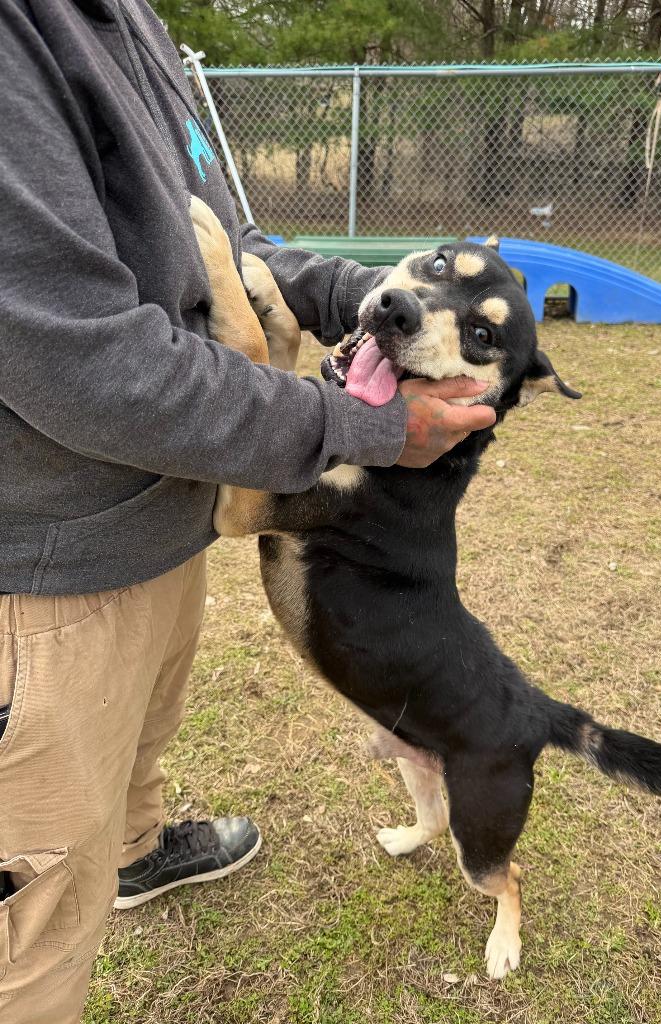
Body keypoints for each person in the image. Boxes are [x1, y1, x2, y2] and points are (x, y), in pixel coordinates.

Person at [0, 1, 496, 1020]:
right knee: (36, 923)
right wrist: (362, 431)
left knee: (144, 725)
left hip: (159, 509)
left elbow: (235, 243)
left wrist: (382, 300)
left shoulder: (126, 18)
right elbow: (88, 368)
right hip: (38, 564)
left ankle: (135, 850)